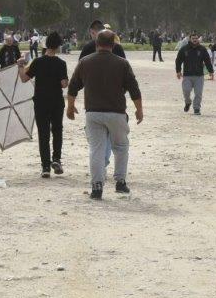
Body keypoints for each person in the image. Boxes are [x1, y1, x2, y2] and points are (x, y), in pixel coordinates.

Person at [66, 29, 143, 199]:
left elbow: (72, 87)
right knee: (121, 147)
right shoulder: (122, 63)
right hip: (116, 113)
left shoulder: (85, 62)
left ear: (96, 43)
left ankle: (97, 186)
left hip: (93, 113)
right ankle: (120, 182)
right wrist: (139, 109)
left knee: (96, 150)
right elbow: (134, 89)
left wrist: (70, 107)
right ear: (114, 44)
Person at [21, 31, 69, 178]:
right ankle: (56, 159)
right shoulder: (61, 63)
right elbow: (64, 84)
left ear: (46, 45)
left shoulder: (38, 62)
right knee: (57, 130)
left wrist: (20, 66)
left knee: (43, 133)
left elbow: (24, 79)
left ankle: (45, 167)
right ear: (58, 46)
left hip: (41, 101)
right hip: (56, 101)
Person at [175, 32, 214, 115]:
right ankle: (188, 102)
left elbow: (207, 61)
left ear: (198, 39)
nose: (195, 40)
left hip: (199, 76)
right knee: (186, 90)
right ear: (190, 39)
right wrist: (178, 71)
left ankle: (197, 108)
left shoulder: (202, 49)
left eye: (196, 38)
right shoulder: (184, 49)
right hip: (187, 75)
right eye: (193, 38)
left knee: (198, 93)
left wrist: (211, 71)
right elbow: (178, 60)